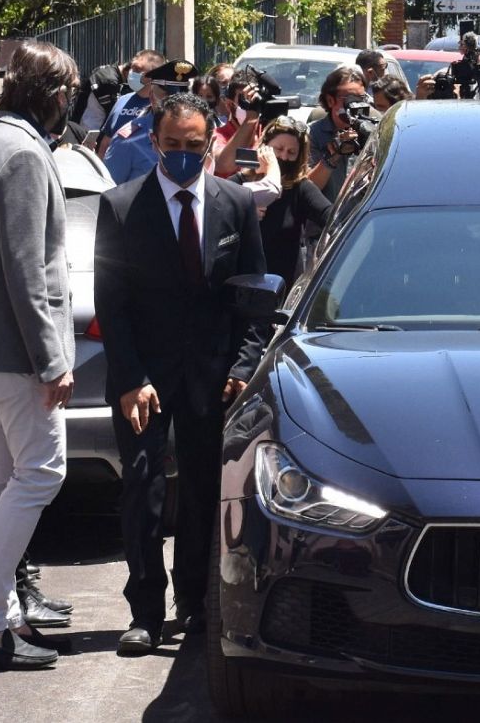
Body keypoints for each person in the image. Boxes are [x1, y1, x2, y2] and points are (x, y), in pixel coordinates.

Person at [93, 92, 270, 655]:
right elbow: (111, 305)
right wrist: (129, 378)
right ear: (154, 143)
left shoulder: (236, 204)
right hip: (143, 380)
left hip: (213, 378)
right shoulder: (120, 207)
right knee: (141, 491)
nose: (184, 156)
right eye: (173, 146)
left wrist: (243, 366)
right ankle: (144, 610)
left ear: (210, 143)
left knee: (202, 494)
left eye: (195, 147)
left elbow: (254, 299)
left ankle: (193, 601)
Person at [0, 40, 80, 670]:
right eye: (69, 95)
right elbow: (28, 272)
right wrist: (53, 360)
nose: (71, 105)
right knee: (41, 473)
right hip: (14, 352)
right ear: (55, 97)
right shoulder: (23, 153)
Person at [257, 119, 333, 282]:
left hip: (284, 285)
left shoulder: (301, 188)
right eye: (278, 149)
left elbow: (333, 218)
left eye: (291, 152)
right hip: (243, 284)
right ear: (264, 147)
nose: (284, 156)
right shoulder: (239, 184)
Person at [103, 59, 197, 184]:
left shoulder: (197, 136)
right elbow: (110, 191)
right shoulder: (128, 140)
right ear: (152, 97)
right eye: (168, 97)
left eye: (182, 97)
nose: (176, 104)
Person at [308, 67, 370, 203]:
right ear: (330, 101)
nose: (357, 105)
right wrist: (335, 154)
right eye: (350, 100)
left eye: (361, 99)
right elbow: (309, 188)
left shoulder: (373, 132)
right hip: (326, 219)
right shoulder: (312, 135)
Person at [96, 50, 164, 157]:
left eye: (138, 69)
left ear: (153, 74)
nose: (131, 72)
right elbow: (105, 143)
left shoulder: (162, 105)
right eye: (132, 68)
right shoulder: (122, 100)